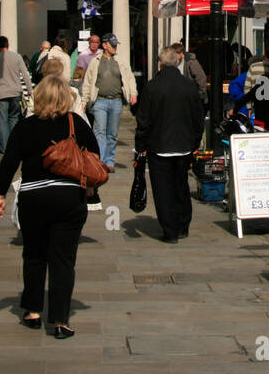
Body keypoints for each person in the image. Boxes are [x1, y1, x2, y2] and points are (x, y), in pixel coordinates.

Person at [0, 74, 98, 339]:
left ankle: (32, 311)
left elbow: (9, 162)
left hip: (34, 199)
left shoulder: (25, 127)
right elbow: (95, 158)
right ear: (66, 98)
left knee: (34, 255)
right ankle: (61, 321)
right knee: (63, 260)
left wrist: (0, 195)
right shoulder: (77, 125)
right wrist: (92, 190)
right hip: (68, 199)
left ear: (38, 98)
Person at [135, 46, 205, 243]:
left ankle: (170, 229)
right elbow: (198, 117)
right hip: (183, 144)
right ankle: (183, 224)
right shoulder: (188, 86)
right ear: (177, 62)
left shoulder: (152, 86)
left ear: (160, 63)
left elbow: (143, 120)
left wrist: (140, 146)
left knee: (163, 188)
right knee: (181, 184)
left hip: (159, 145)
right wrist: (195, 141)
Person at [80, 33, 137, 172]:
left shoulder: (121, 61)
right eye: (112, 45)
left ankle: (109, 160)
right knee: (100, 132)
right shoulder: (95, 62)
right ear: (104, 45)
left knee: (112, 133)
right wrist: (84, 100)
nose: (115, 47)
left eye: (116, 44)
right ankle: (100, 162)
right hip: (100, 101)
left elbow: (129, 78)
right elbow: (88, 82)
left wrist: (133, 93)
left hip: (116, 100)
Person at [0, 36, 33, 153]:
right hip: (16, 92)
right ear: (8, 44)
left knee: (2, 121)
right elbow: (25, 75)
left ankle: (4, 148)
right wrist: (30, 91)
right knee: (14, 118)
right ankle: (15, 146)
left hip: (1, 93)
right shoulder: (17, 57)